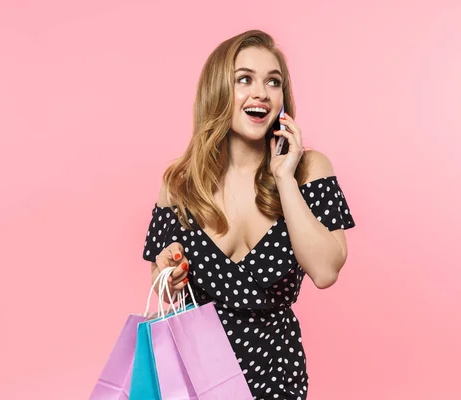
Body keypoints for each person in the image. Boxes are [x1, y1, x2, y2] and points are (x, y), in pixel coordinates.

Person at [141, 29, 355, 399]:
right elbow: (161, 278)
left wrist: (285, 177)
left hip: (277, 374)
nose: (261, 92)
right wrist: (168, 273)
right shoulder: (179, 183)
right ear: (218, 91)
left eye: (273, 82)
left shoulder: (309, 169)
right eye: (245, 79)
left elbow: (325, 272)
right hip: (196, 374)